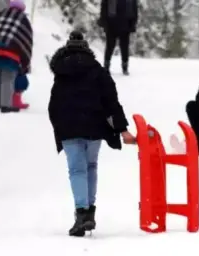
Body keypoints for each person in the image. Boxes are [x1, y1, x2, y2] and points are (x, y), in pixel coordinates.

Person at [47, 31, 136, 236]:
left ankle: (81, 213)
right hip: (94, 126)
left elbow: (54, 105)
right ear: (87, 49)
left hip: (69, 127)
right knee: (91, 166)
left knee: (76, 170)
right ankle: (90, 213)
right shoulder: (97, 70)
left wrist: (59, 127)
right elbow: (111, 103)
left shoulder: (61, 73)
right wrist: (122, 130)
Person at [99, 0, 139, 75]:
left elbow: (135, 10)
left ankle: (125, 67)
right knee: (110, 46)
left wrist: (133, 24)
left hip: (125, 25)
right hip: (111, 24)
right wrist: (103, 22)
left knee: (124, 47)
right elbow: (104, 8)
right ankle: (106, 67)